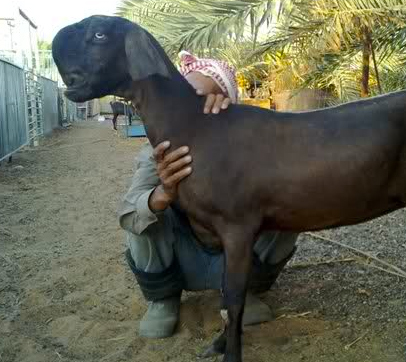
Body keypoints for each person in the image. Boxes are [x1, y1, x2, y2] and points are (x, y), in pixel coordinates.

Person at [118, 51, 299, 339]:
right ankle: (163, 299)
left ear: (226, 103)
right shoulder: (161, 146)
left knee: (288, 210)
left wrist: (232, 132)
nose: (191, 104)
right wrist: (162, 194)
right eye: (186, 95)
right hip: (181, 257)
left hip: (233, 255)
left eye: (206, 97)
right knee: (144, 213)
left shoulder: (246, 140)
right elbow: (127, 214)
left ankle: (244, 291)